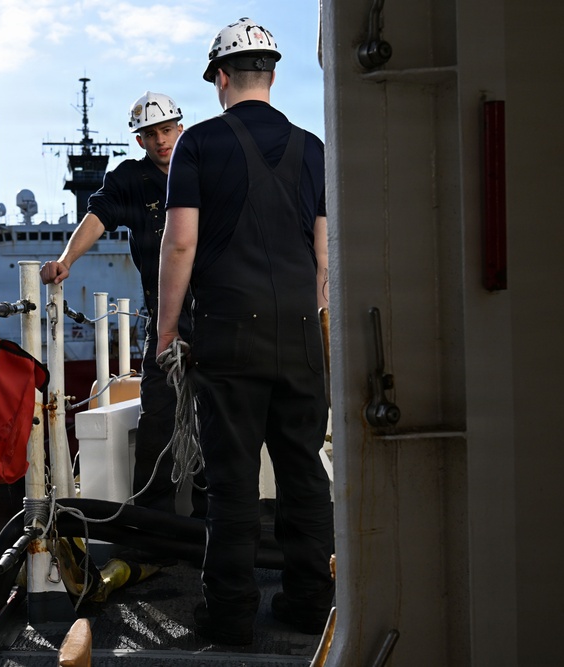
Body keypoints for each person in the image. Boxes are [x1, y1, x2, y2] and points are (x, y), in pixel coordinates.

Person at [155, 17, 335, 645]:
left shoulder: (197, 147)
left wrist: (167, 330)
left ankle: (229, 619)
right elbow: (322, 256)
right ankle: (312, 605)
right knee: (304, 474)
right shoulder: (313, 149)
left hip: (230, 335)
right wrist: (312, 328)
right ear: (274, 75)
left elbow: (180, 244)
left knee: (231, 483)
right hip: (301, 335)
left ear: (221, 78)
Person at [40, 92, 206, 522]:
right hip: (166, 318)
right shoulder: (131, 179)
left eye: (167, 130)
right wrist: (66, 260)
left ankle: (213, 515)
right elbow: (99, 215)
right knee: (158, 417)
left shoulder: (204, 166)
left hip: (213, 313)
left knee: (216, 413)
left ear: (180, 129)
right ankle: (154, 521)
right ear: (140, 141)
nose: (161, 141)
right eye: (150, 134)